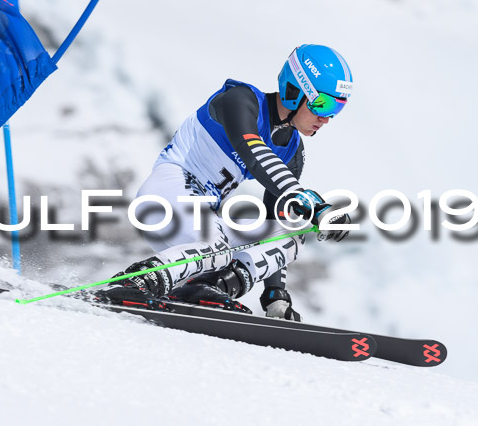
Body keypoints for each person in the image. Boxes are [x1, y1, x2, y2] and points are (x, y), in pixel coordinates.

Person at [97, 44, 354, 321]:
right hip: (166, 194)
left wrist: (275, 296)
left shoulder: (292, 150)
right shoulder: (240, 100)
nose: (326, 118)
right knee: (217, 248)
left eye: (337, 109)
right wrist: (307, 199)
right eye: (323, 104)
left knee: (290, 231)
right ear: (294, 91)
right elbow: (254, 153)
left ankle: (206, 289)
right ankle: (134, 282)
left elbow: (273, 221)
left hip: (202, 220)